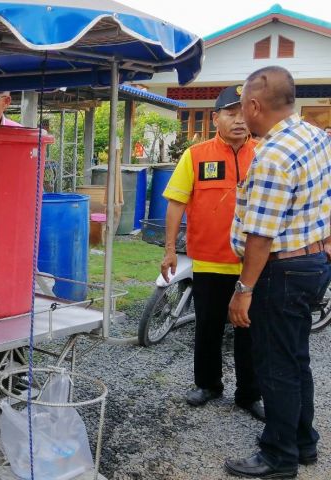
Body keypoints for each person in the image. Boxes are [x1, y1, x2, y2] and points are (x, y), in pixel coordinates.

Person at [225, 66, 331, 479]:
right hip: (311, 264)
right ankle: (303, 441)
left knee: (276, 366)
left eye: (242, 106)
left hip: (280, 271)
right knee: (295, 357)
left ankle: (279, 456)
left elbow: (261, 235)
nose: (240, 116)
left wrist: (244, 289)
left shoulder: (272, 155)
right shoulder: (314, 135)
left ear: (254, 105)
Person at [160, 85, 263, 420]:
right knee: (208, 328)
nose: (238, 120)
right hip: (208, 261)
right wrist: (169, 250)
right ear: (215, 117)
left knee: (251, 332)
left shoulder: (263, 155)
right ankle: (208, 384)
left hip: (253, 264)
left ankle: (249, 394)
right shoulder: (196, 156)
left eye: (243, 112)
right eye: (230, 113)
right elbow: (176, 203)